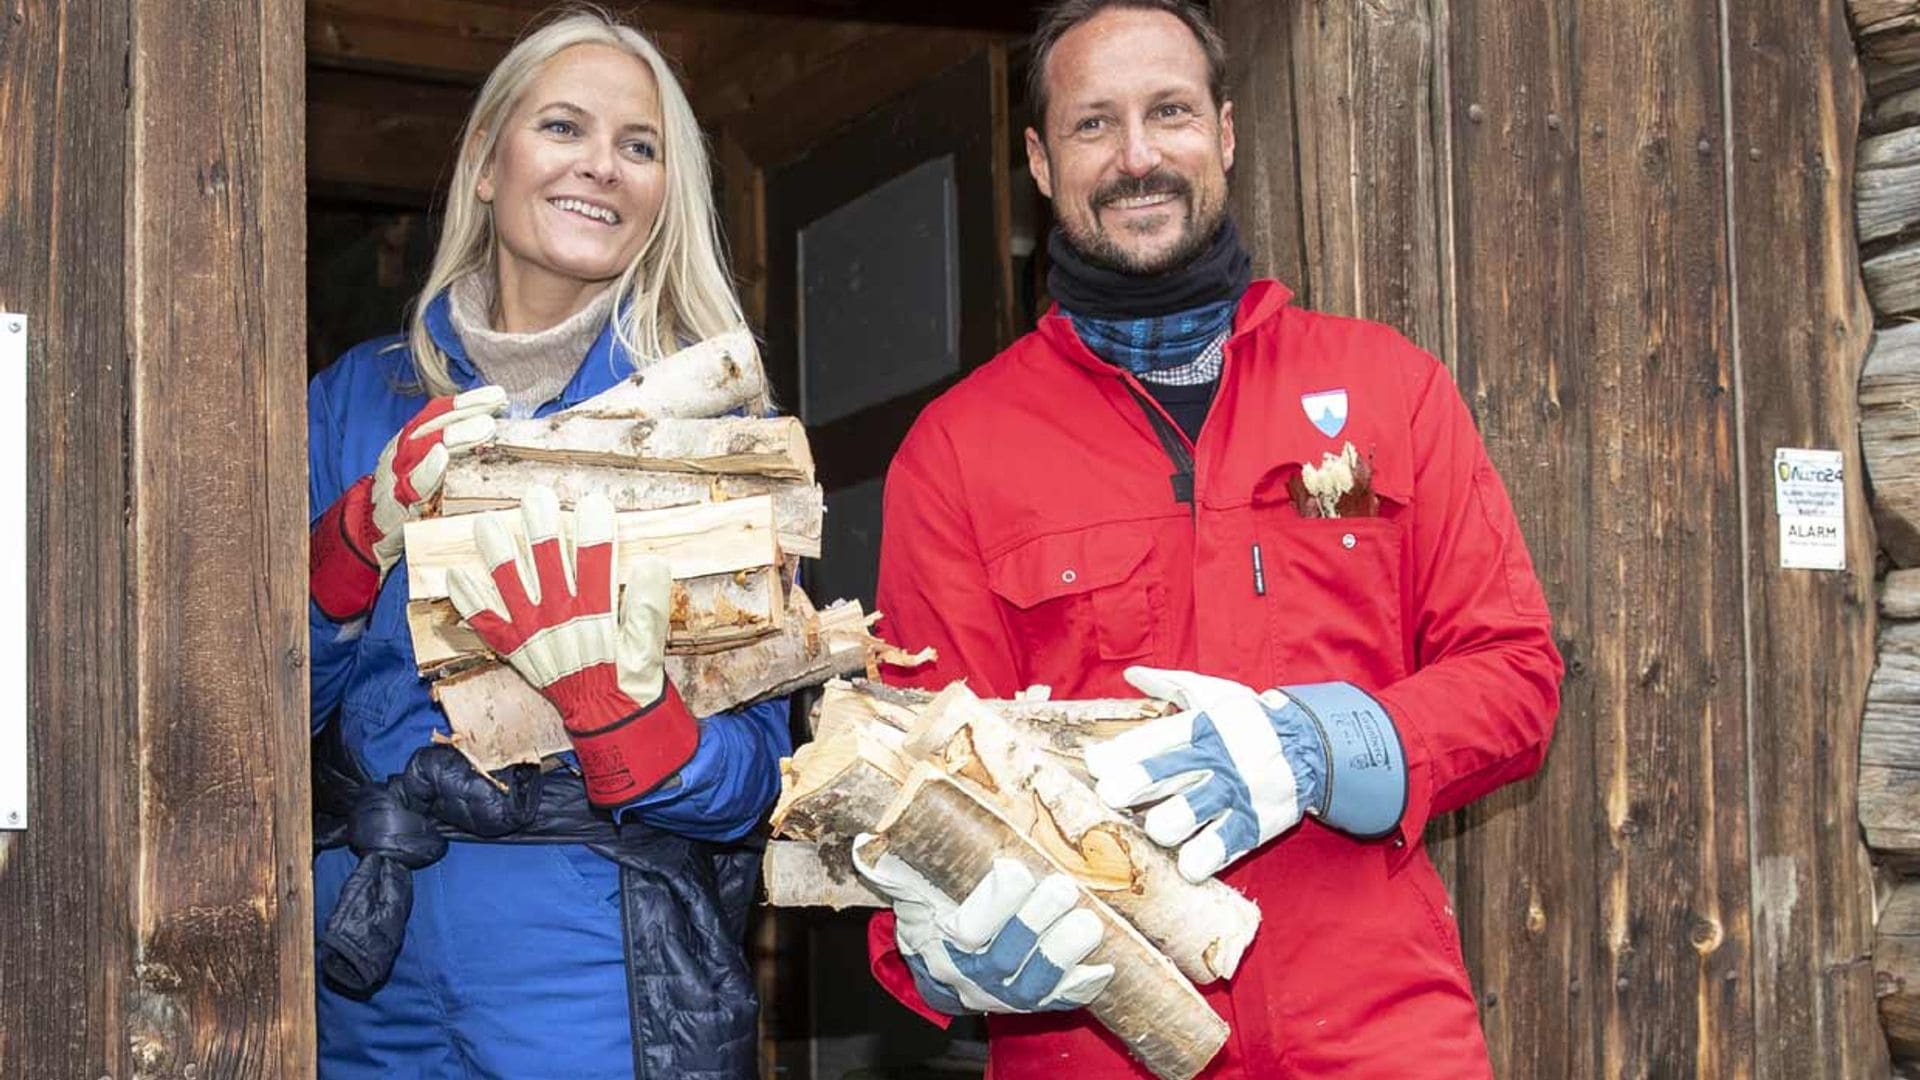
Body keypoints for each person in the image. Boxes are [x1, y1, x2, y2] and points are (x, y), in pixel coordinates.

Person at [856, 1, 1563, 1076]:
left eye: (1170, 112)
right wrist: (941, 947)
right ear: (1041, 163)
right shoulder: (958, 454)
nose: (1139, 157)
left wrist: (1334, 743)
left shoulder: (1389, 388)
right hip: (1094, 1039)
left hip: (1379, 1034)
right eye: (1094, 125)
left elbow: (1515, 678)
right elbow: (917, 780)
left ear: (1224, 134)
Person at [305, 9, 786, 1078]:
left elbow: (760, 778)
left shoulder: (704, 427)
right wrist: (344, 553)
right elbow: (238, 725)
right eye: (564, 127)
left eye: (640, 146)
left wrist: (629, 721)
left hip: (589, 953)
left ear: (667, 197)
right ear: (486, 162)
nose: (602, 168)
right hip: (366, 950)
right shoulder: (353, 400)